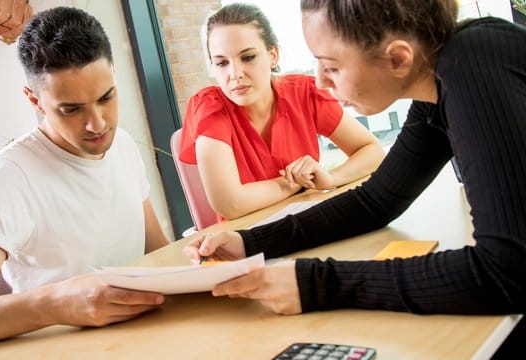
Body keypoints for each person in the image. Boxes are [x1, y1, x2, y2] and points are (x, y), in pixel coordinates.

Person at [185, 0, 526, 319]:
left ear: (397, 59)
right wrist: (249, 241)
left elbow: (507, 272)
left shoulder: (471, 68)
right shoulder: (440, 81)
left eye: (331, 66)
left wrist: (316, 283)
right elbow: (375, 201)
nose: (319, 79)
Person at [0, 7, 169, 358]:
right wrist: (55, 303)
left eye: (106, 98)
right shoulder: (10, 180)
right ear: (35, 100)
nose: (97, 124)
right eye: (71, 109)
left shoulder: (121, 146)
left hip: (145, 341)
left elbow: (159, 253)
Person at [178, 3, 384, 221]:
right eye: (221, 63)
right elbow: (231, 204)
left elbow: (372, 150)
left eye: (248, 57)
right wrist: (294, 182)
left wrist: (331, 178)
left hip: (309, 222)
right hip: (248, 239)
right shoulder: (209, 108)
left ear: (273, 55)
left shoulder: (304, 93)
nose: (235, 74)